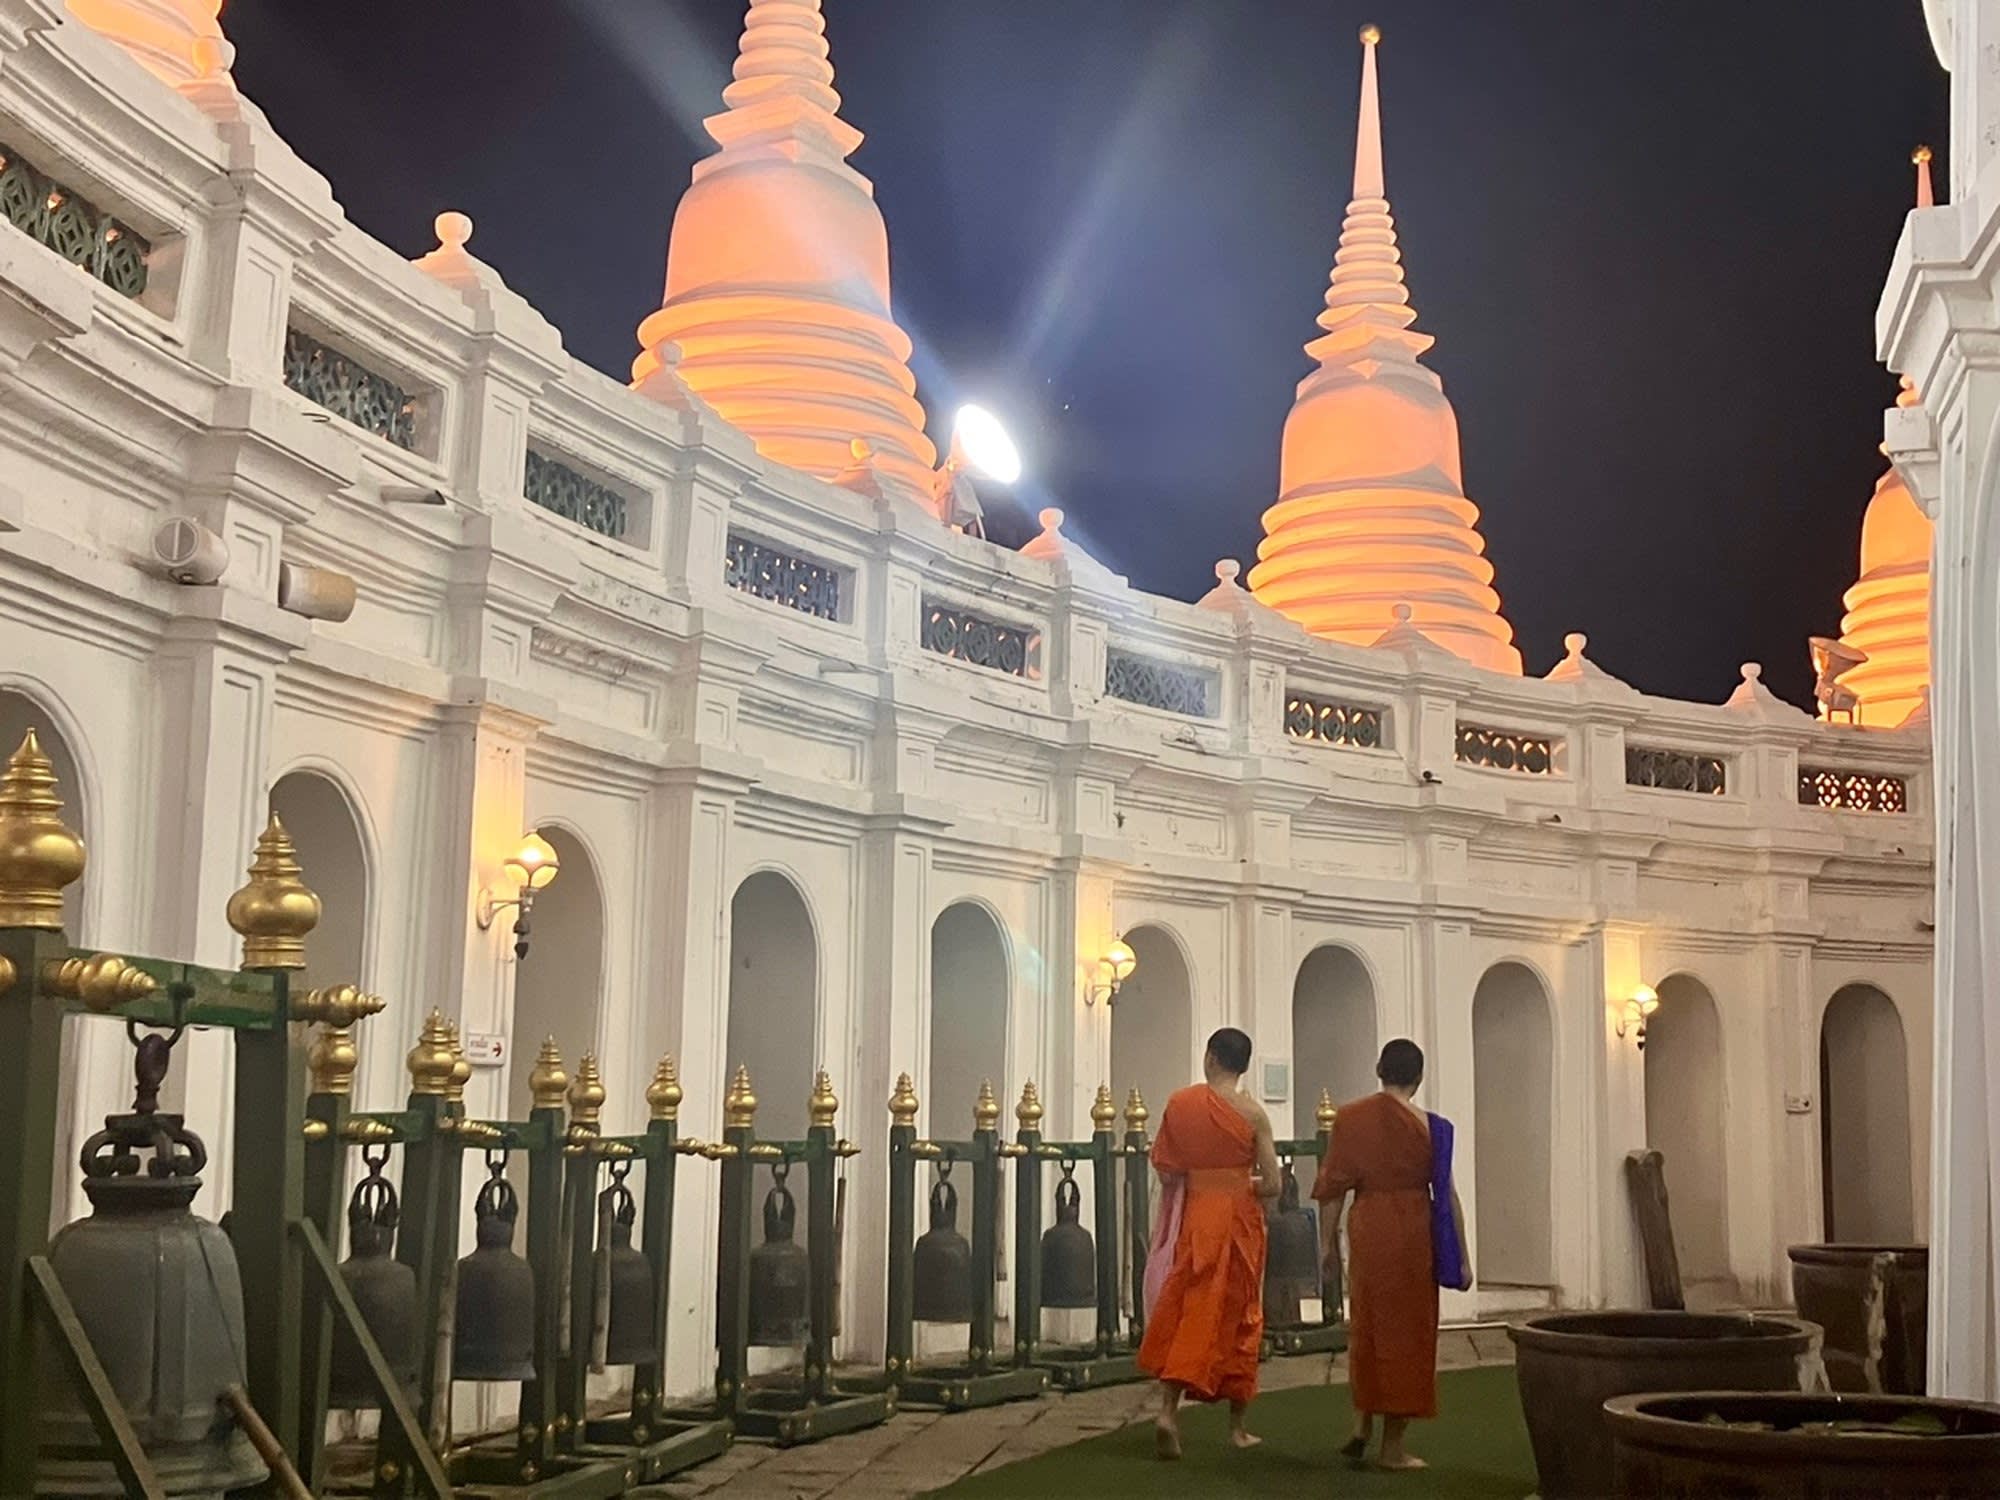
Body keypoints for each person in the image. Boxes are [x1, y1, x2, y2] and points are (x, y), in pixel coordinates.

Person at [1312, 1038, 1471, 1472]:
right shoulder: (1433, 1128)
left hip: (1369, 1227)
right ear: (1419, 1078)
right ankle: (1393, 1447)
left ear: (1379, 1069)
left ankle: (1361, 1423)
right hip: (1414, 1232)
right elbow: (1447, 1195)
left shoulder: (1350, 1118)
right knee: (1409, 1336)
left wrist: (1326, 1246)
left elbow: (1332, 1191)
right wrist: (1462, 1256)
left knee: (1367, 1327)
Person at [1137, 1026, 1282, 1459]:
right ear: (1243, 1066)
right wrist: (1240, 1184)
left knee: (1189, 1310)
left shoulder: (1182, 1104)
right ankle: (1238, 1427)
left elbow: (1165, 1166)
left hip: (1197, 1218)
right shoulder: (1253, 1114)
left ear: (1211, 1058)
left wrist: (1200, 1181)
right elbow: (1273, 1184)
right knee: (1243, 1315)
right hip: (1239, 1222)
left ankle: (1168, 1411)